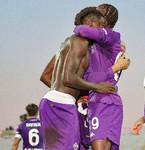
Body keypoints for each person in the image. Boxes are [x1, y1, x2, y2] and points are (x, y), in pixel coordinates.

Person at [39, 7, 117, 150]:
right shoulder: (80, 42)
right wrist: (97, 86)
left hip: (51, 101)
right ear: (90, 23)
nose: (99, 32)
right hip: (61, 105)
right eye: (99, 27)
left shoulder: (66, 43)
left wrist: (73, 95)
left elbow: (45, 76)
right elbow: (68, 78)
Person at [74, 4, 130, 150]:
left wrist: (114, 69)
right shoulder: (95, 45)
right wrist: (114, 68)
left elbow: (80, 29)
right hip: (96, 102)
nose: (93, 15)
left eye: (96, 13)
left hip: (106, 102)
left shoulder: (111, 36)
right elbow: (87, 79)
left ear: (104, 19)